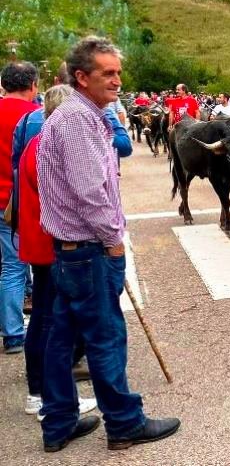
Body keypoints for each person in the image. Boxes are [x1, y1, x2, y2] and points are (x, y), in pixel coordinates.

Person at [36, 36, 180, 452]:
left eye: (118, 72)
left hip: (70, 249)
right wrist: (113, 240)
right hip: (88, 249)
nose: (117, 80)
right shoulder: (78, 121)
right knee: (106, 336)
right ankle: (123, 422)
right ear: (81, 77)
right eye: (107, 73)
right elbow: (89, 192)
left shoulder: (79, 115)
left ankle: (59, 420)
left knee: (62, 336)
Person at [18, 85, 98, 421]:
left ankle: (43, 393)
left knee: (44, 321)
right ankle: (47, 397)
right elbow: (72, 199)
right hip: (53, 244)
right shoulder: (51, 147)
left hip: (39, 241)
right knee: (53, 324)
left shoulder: (35, 144)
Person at [0, 61, 40, 354]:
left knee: (9, 266)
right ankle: (20, 332)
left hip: (2, 203)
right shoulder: (36, 116)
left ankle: (13, 328)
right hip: (23, 201)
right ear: (33, 85)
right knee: (25, 266)